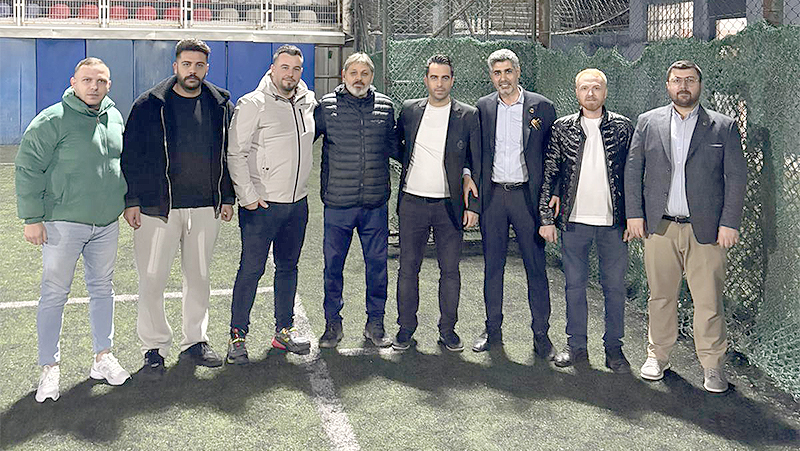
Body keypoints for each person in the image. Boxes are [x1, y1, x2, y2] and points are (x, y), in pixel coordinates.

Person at [624, 60, 747, 392]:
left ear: (699, 85)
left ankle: (712, 365)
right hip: (660, 228)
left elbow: (736, 178)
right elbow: (633, 171)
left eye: (689, 80)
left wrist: (729, 222)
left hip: (706, 231)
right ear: (668, 85)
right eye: (677, 80)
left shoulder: (723, 126)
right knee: (660, 297)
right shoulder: (648, 122)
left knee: (708, 301)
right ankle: (657, 356)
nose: (683, 86)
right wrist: (634, 215)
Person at [15, 57, 130, 402]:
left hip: (106, 224)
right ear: (74, 82)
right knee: (54, 293)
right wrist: (32, 218)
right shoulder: (52, 120)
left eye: (101, 81)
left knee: (103, 289)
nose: (94, 86)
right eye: (87, 80)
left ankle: (102, 357)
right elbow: (28, 168)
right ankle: (49, 367)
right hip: (63, 223)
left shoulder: (114, 117)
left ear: (109, 85)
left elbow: (117, 164)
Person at [121, 39, 235, 378]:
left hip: (205, 209)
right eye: (187, 64)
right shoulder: (149, 104)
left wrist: (226, 196)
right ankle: (154, 348)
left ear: (207, 68)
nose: (192, 71)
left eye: (199, 65)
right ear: (175, 66)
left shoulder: (220, 104)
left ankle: (195, 341)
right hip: (158, 209)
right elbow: (131, 156)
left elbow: (229, 153)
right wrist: (131, 200)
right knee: (152, 279)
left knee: (199, 278)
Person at [539, 68, 634, 373]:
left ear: (605, 91)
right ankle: (576, 346)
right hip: (574, 222)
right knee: (574, 286)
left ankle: (614, 348)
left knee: (614, 288)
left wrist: (633, 217)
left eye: (596, 88)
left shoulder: (623, 127)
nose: (590, 93)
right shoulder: (562, 128)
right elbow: (550, 171)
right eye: (584, 88)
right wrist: (546, 217)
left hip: (613, 224)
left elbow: (633, 175)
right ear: (576, 92)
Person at [226, 44, 316, 364]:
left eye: (296, 68)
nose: (290, 74)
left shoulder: (308, 101)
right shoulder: (253, 103)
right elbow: (235, 153)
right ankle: (237, 335)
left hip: (297, 204)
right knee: (251, 269)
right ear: (273, 68)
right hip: (262, 206)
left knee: (288, 268)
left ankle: (283, 331)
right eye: (285, 67)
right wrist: (248, 197)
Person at [468, 48, 556, 357]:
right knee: (493, 267)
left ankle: (541, 334)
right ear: (491, 76)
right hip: (493, 198)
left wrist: (550, 199)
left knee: (535, 267)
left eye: (508, 71)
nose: (503, 78)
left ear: (518, 73)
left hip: (526, 199)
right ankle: (492, 330)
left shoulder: (542, 107)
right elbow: (476, 154)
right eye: (497, 73)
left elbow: (552, 156)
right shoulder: (483, 107)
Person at [392, 54, 481, 352]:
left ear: (452, 80)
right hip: (412, 203)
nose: (439, 83)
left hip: (449, 206)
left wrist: (472, 203)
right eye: (434, 77)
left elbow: (475, 160)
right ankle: (405, 328)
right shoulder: (409, 110)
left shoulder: (468, 115)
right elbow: (396, 145)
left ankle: (448, 330)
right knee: (408, 269)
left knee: (450, 271)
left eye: (445, 77)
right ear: (426, 80)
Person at [315, 53, 399, 348]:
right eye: (354, 73)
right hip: (338, 204)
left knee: (377, 267)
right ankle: (332, 324)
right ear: (344, 75)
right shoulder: (326, 106)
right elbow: (301, 141)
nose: (359, 79)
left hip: (374, 204)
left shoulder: (386, 107)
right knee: (332, 268)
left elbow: (395, 147)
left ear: (371, 77)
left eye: (364, 73)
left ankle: (375, 323)